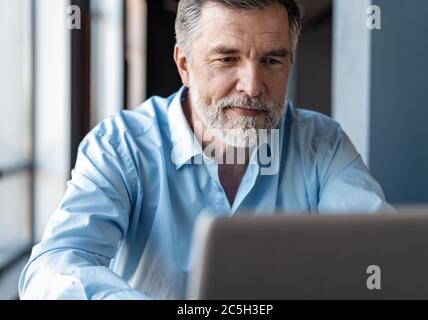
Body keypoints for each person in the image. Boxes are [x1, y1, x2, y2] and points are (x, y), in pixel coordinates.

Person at [19, 0, 393, 300]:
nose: (251, 85)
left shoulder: (321, 144)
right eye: (227, 59)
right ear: (185, 64)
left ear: (289, 63)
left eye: (272, 60)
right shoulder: (121, 146)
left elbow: (383, 257)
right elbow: (52, 269)